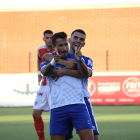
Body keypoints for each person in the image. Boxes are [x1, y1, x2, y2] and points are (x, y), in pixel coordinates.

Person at [43, 29, 99, 140]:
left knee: (94, 137)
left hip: (81, 101)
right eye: (76, 38)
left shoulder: (84, 60)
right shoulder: (55, 57)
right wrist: (65, 63)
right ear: (70, 40)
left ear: (84, 43)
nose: (78, 41)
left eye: (81, 39)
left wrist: (64, 71)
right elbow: (46, 57)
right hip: (59, 104)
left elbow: (86, 74)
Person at [32, 30, 55, 140]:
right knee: (36, 113)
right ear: (44, 39)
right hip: (44, 85)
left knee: (55, 115)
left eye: (51, 37)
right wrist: (38, 74)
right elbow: (38, 61)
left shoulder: (57, 49)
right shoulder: (40, 49)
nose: (49, 40)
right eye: (47, 37)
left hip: (54, 85)